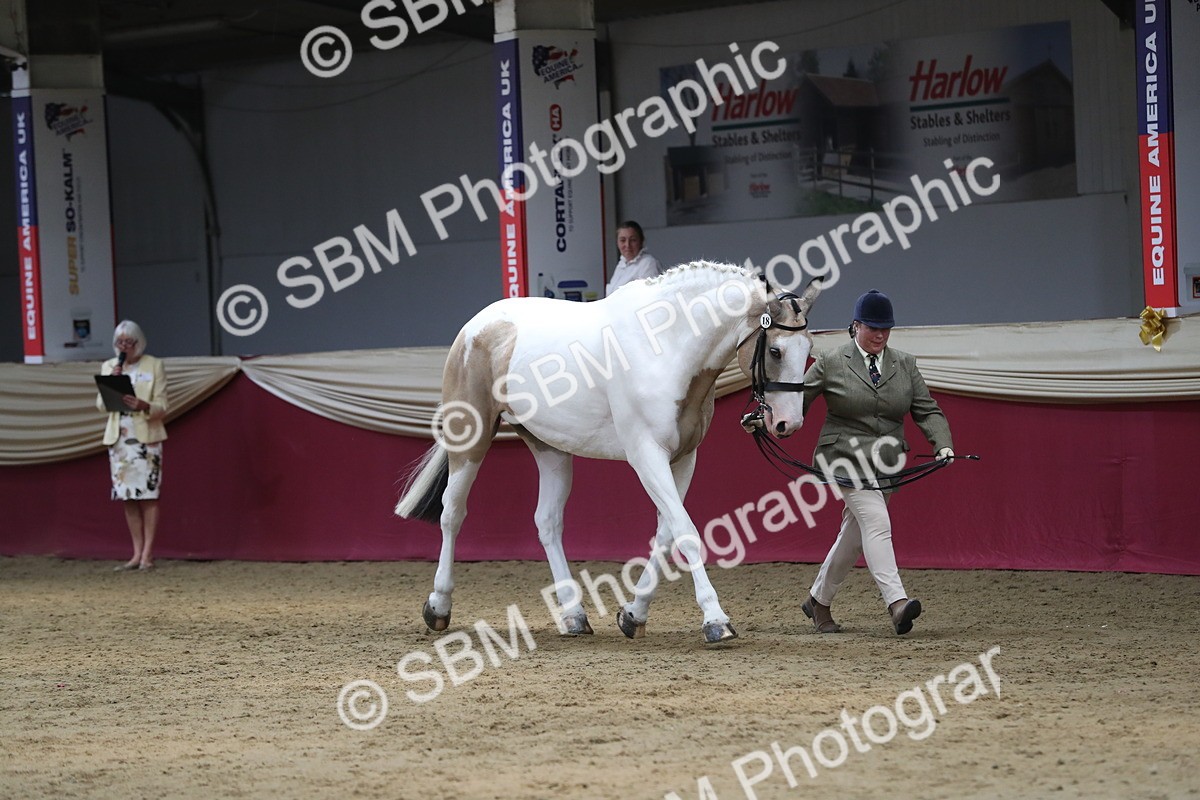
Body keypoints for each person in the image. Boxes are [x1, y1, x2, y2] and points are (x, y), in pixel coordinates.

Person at [800, 289, 954, 635]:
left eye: (886, 329)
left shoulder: (905, 364)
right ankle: (897, 603)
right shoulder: (831, 360)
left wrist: (942, 444)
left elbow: (926, 409)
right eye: (872, 328)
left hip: (885, 462)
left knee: (854, 535)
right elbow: (798, 402)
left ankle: (818, 601)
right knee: (877, 522)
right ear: (855, 326)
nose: (880, 335)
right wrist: (768, 422)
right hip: (843, 457)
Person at [96, 320, 168, 571]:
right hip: (120, 438)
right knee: (127, 496)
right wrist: (110, 382)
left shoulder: (153, 365)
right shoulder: (109, 366)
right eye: (119, 343)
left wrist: (144, 405)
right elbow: (101, 405)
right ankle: (136, 553)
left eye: (129, 342)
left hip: (146, 437)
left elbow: (163, 405)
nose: (124, 347)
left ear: (139, 343)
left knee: (148, 495)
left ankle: (148, 554)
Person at [605, 220, 663, 296]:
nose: (627, 245)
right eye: (622, 240)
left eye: (633, 240)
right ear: (617, 243)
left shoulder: (648, 263)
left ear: (641, 242)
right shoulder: (621, 264)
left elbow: (649, 297)